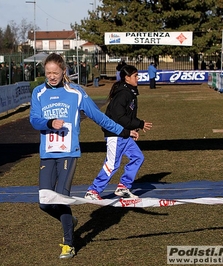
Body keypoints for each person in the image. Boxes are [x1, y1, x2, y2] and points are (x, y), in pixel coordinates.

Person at [29, 53, 138, 259]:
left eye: (55, 72)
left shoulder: (76, 92)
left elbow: (99, 117)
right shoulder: (39, 92)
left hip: (68, 153)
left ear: (64, 72)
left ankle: (68, 244)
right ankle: (69, 220)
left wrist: (123, 131)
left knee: (60, 198)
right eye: (48, 73)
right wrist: (49, 122)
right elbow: (34, 119)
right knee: (44, 202)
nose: (51, 77)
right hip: (47, 152)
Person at [85, 65, 152, 200]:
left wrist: (131, 131)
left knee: (138, 157)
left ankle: (123, 187)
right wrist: (140, 123)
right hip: (115, 135)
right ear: (127, 78)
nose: (138, 78)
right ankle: (93, 191)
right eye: (135, 76)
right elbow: (118, 117)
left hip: (124, 134)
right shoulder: (123, 94)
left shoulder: (130, 92)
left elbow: (126, 116)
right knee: (112, 164)